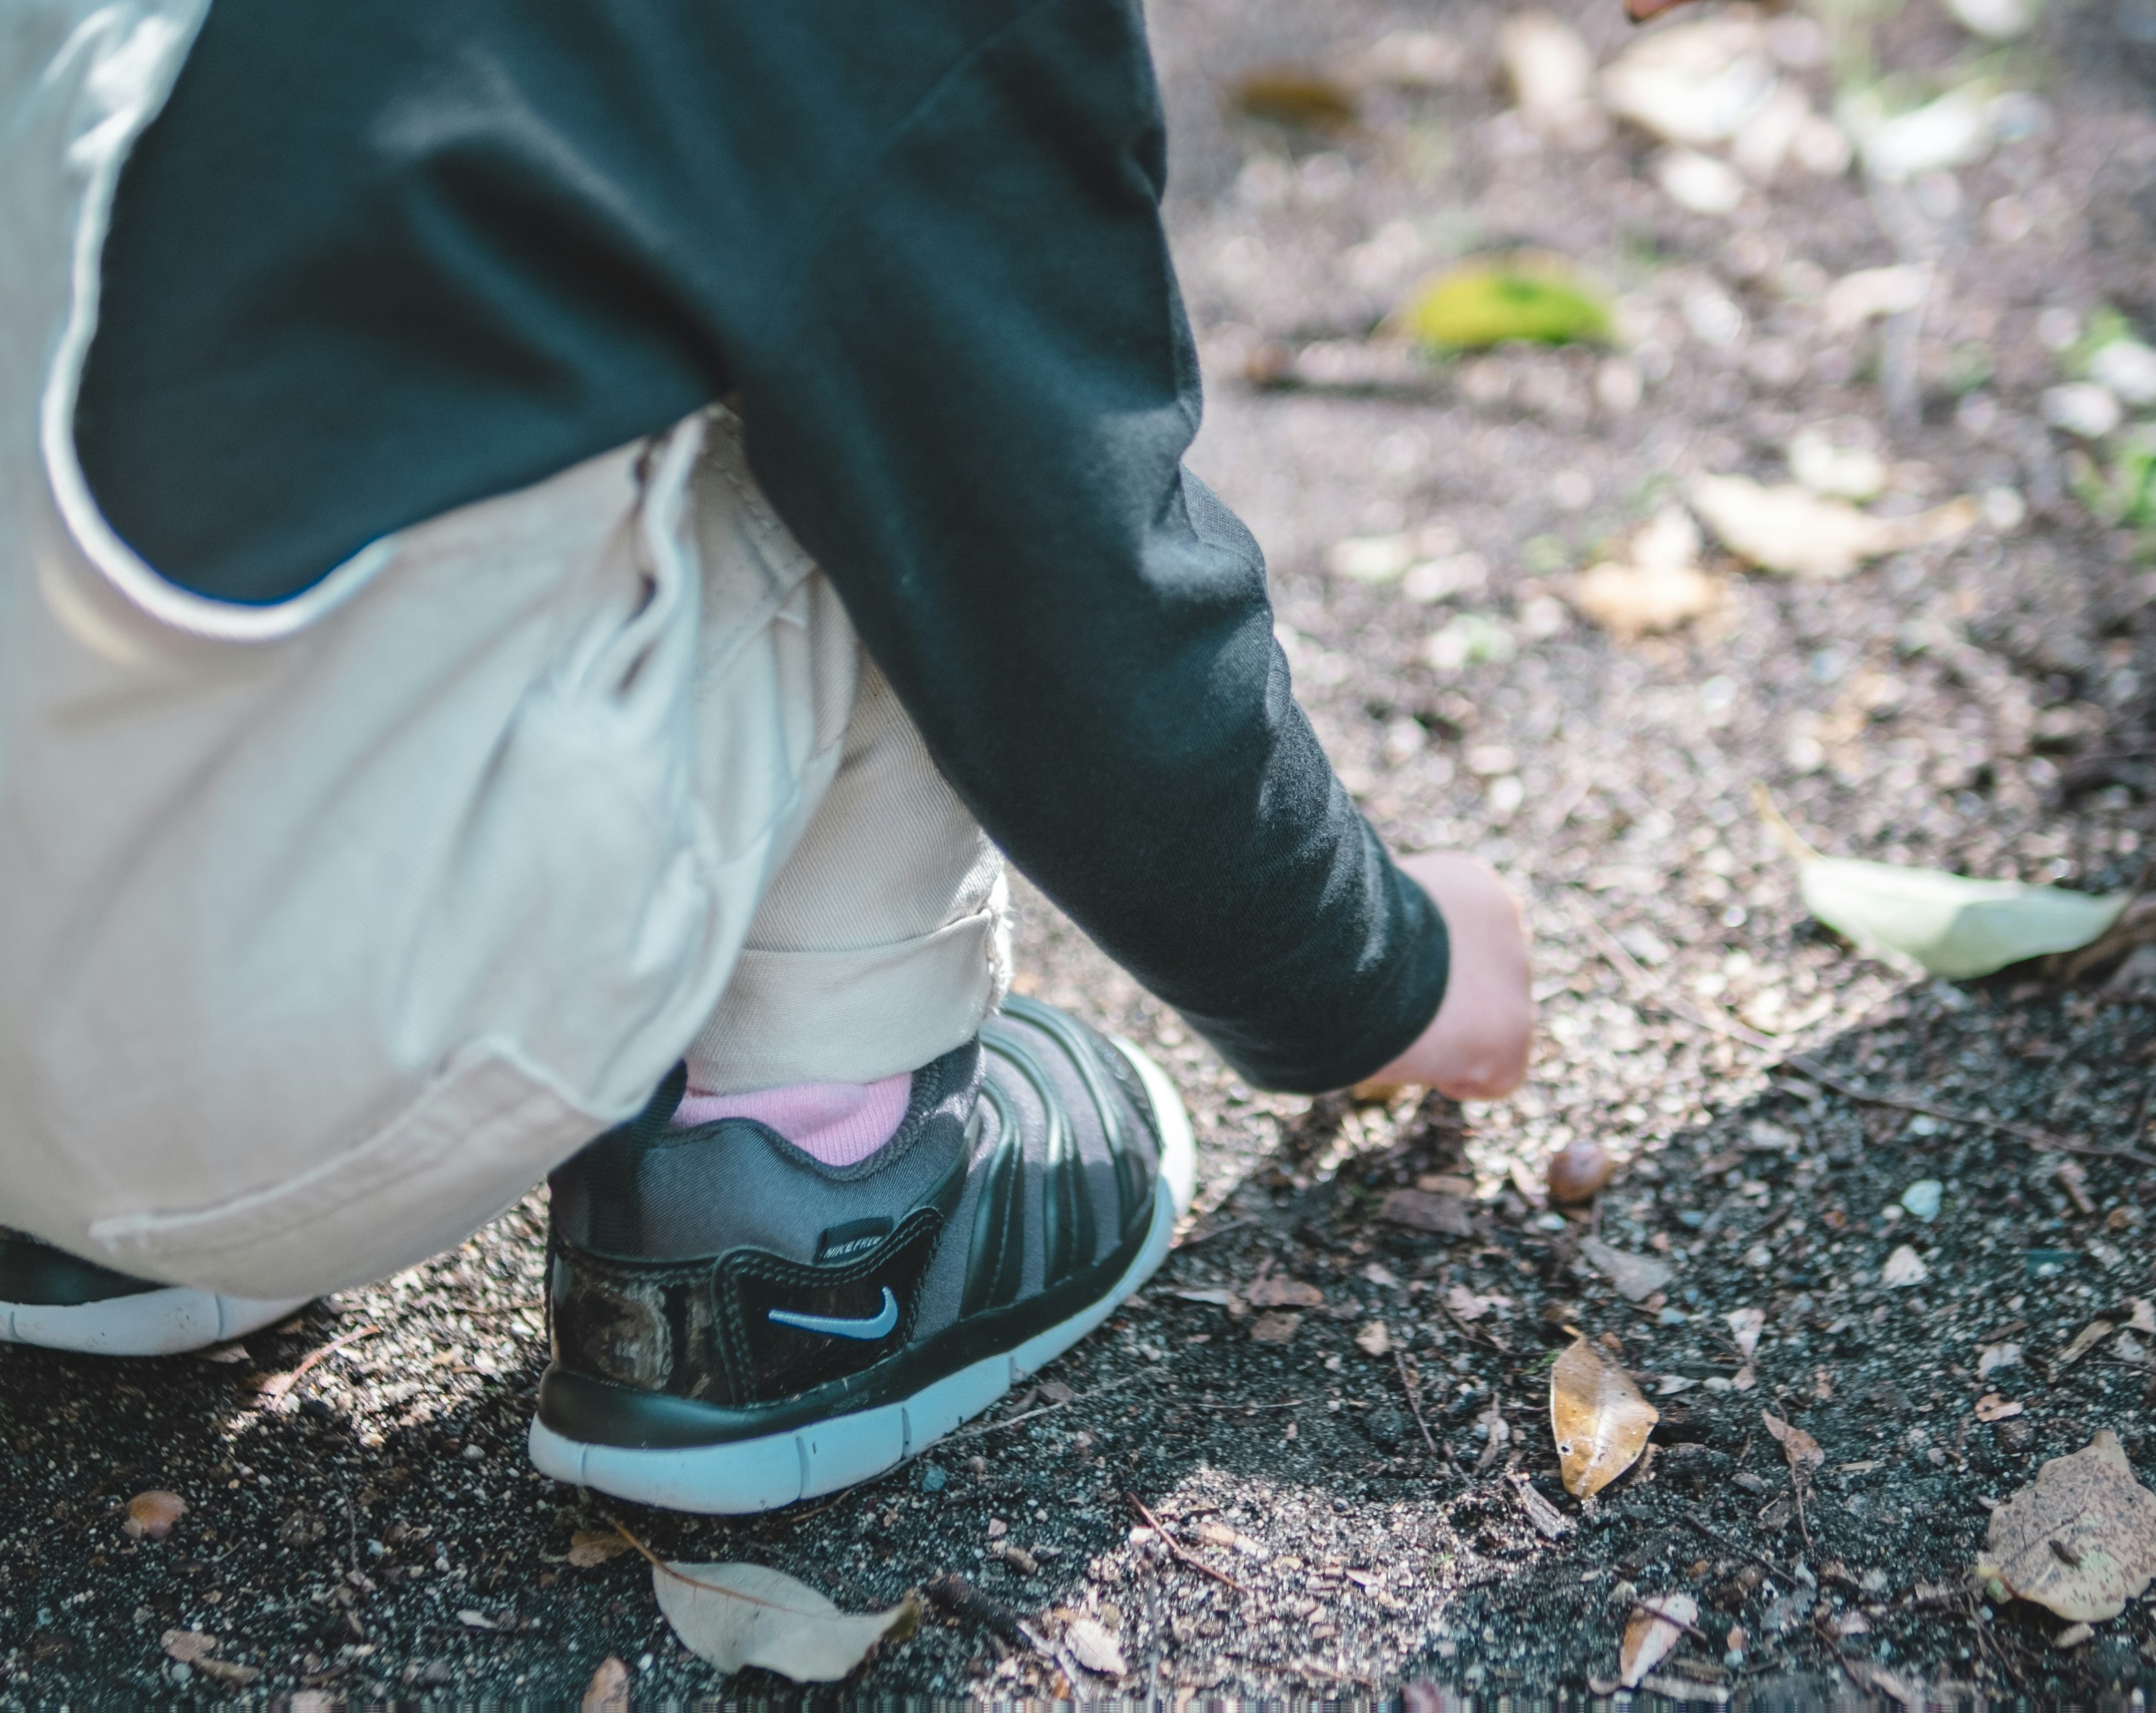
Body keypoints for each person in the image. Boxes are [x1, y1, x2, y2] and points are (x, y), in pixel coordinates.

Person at [0, 0, 1532, 1514]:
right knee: (889, 389)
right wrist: (1379, 973)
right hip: (273, 1065)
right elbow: (1066, 584)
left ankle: (90, 1215)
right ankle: (797, 1199)